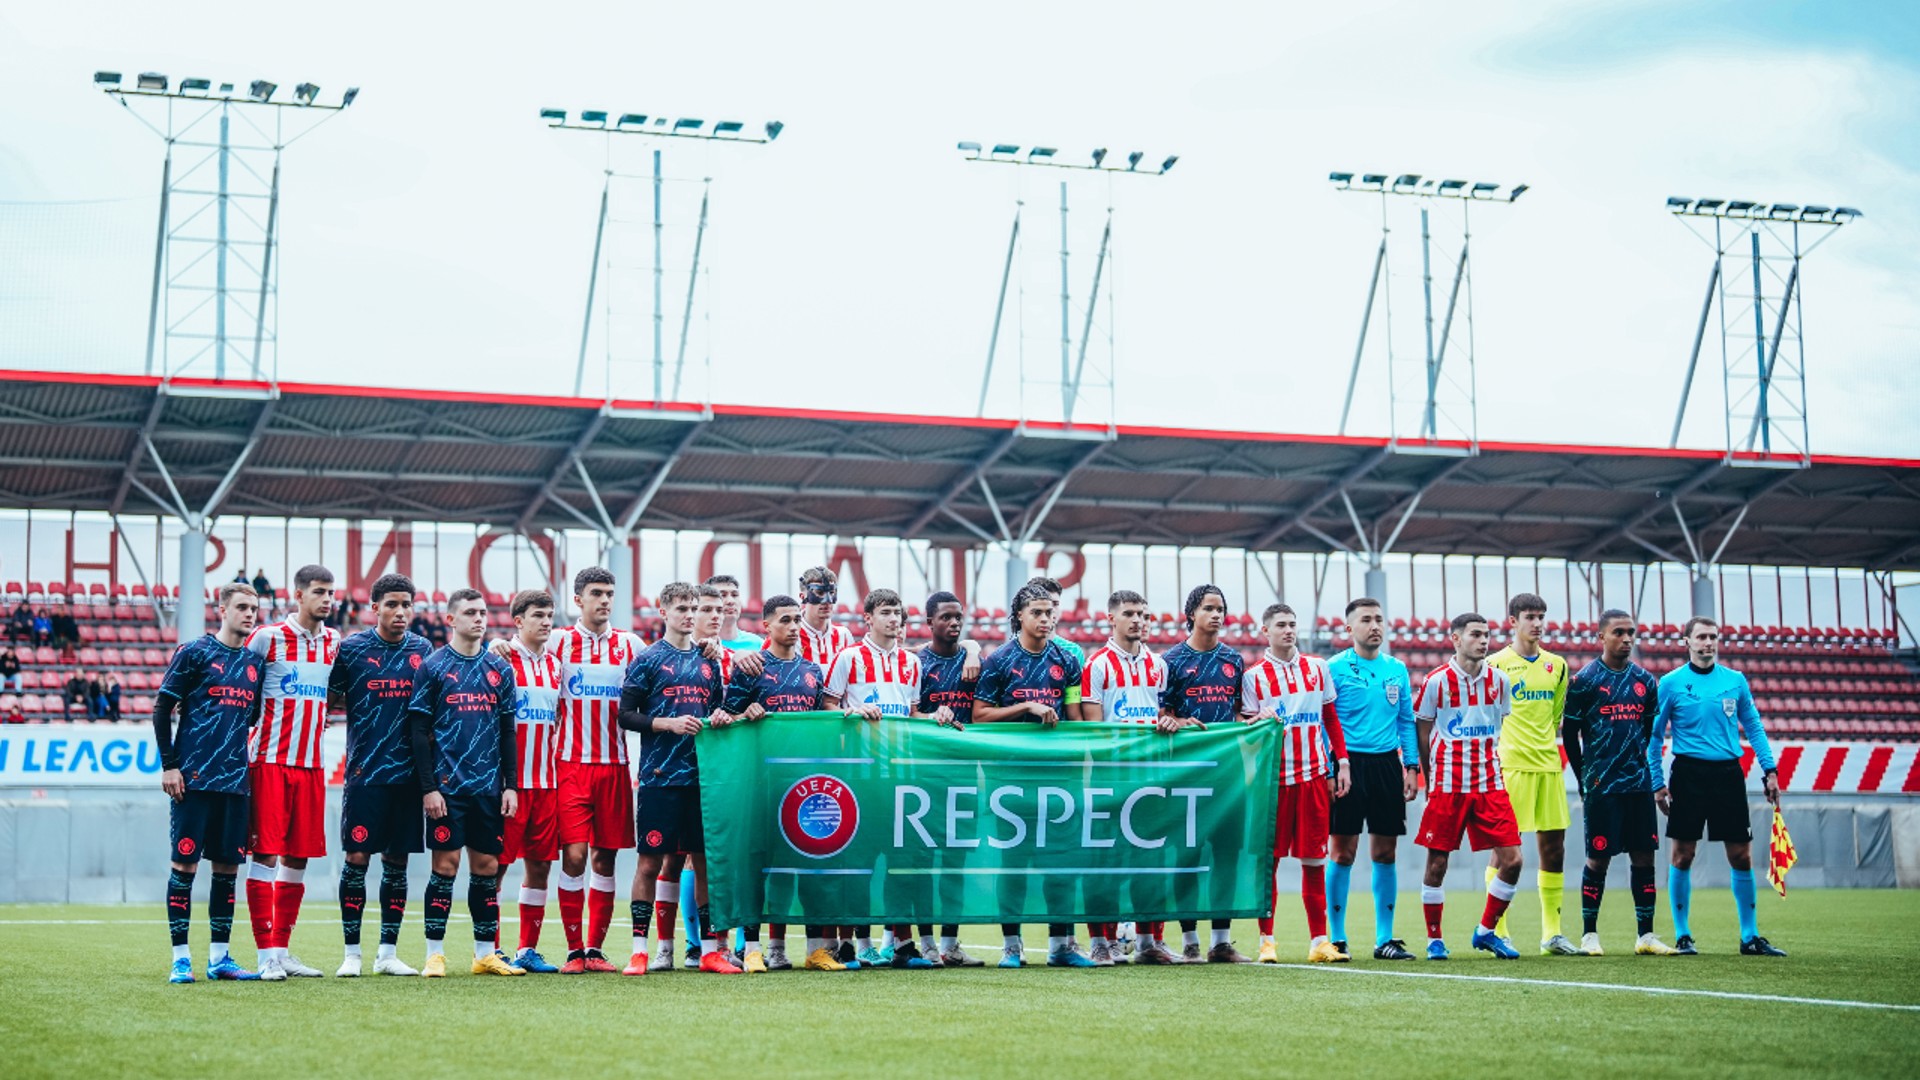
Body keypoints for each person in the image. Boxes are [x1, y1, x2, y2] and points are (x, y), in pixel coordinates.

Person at [499, 567, 644, 974]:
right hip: (569, 767)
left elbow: (667, 662)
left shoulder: (630, 645)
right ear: (578, 599)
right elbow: (518, 648)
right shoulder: (559, 641)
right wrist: (497, 645)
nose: (605, 600)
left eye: (610, 593)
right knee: (574, 856)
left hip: (616, 766)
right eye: (596, 592)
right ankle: (573, 949)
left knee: (606, 860)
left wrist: (718, 650)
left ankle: (594, 951)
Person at [616, 581, 740, 975]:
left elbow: (719, 710)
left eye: (693, 607)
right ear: (663, 611)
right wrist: (666, 723)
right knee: (650, 863)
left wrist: (722, 716)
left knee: (703, 864)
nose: (689, 614)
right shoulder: (648, 660)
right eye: (682, 607)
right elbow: (625, 715)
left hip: (701, 780)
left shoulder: (710, 661)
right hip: (659, 777)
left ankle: (708, 951)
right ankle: (639, 950)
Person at [1651, 616, 1785, 957]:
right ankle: (1683, 935)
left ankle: (1750, 936)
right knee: (1683, 855)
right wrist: (1657, 782)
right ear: (1687, 641)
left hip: (1728, 774)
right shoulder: (1670, 683)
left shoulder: (1735, 681)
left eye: (1713, 636)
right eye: (1701, 637)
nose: (1708, 642)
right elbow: (1654, 737)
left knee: (1741, 855)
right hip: (1688, 775)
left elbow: (1753, 726)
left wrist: (1770, 770)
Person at [153, 582, 266, 983]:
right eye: (241, 607)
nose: (249, 614)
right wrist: (170, 765)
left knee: (227, 870)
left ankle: (220, 958)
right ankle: (180, 958)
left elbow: (249, 719)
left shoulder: (255, 664)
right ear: (221, 609)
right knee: (184, 865)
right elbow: (163, 706)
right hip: (193, 782)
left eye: (254, 608)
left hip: (235, 784)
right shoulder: (195, 652)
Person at [972, 583, 1089, 969]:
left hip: (1059, 777)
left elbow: (1074, 718)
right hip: (1011, 776)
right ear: (1019, 615)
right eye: (1037, 613)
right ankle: (1012, 945)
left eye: (1050, 612)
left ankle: (1062, 945)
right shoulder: (999, 660)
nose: (1046, 619)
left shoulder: (1067, 660)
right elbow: (979, 716)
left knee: (1061, 861)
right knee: (1015, 863)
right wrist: (1027, 706)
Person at [407, 588, 523, 977]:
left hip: (489, 787)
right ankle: (434, 954)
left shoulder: (500, 669)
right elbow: (419, 731)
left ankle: (484, 954)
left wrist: (511, 784)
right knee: (446, 865)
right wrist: (428, 788)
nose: (479, 618)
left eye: (483, 612)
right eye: (470, 612)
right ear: (450, 619)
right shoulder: (434, 666)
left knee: (487, 866)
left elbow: (508, 731)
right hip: (447, 787)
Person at [722, 594, 838, 971]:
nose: (792, 626)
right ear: (766, 627)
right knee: (760, 865)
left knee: (807, 864)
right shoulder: (752, 667)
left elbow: (825, 721)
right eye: (784, 620)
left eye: (795, 620)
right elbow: (722, 717)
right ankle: (754, 948)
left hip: (805, 785)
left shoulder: (812, 671)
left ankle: (815, 949)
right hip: (762, 782)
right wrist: (744, 712)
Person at [823, 588, 934, 970]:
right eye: (886, 612)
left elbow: (913, 714)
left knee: (901, 863)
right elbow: (827, 709)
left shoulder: (911, 663)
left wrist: (936, 718)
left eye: (899, 613)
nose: (895, 620)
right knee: (858, 864)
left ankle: (903, 945)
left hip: (901, 777)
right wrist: (853, 712)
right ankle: (849, 945)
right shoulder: (848, 658)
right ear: (868, 618)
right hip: (859, 777)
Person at [328, 573, 432, 978]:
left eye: (407, 604)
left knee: (397, 862)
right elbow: (331, 698)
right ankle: (352, 953)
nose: (400, 611)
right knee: (356, 859)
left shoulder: (423, 650)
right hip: (364, 772)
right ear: (375, 608)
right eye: (392, 604)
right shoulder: (352, 650)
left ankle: (387, 953)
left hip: (408, 777)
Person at [243, 564, 340, 980]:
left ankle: (282, 950)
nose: (327, 600)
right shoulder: (267, 638)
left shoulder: (335, 643)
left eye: (330, 593)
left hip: (311, 765)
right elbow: (239, 687)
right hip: (269, 761)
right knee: (264, 854)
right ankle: (264, 955)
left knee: (298, 856)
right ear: (297, 595)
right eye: (319, 592)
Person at [1563, 610, 1678, 957]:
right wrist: (1585, 775)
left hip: (1638, 785)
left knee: (1645, 858)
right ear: (1601, 637)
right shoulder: (1584, 681)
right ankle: (1589, 935)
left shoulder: (1646, 680)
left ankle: (1645, 936)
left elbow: (1646, 731)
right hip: (1602, 786)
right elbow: (1570, 735)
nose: (1627, 639)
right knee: (1598, 859)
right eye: (1619, 632)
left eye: (1631, 633)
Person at [1241, 602, 1349, 964]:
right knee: (1268, 864)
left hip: (1314, 778)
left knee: (1315, 861)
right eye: (1281, 625)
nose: (1288, 630)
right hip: (1274, 783)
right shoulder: (1254, 676)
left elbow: (1331, 719)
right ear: (1265, 631)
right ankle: (1266, 941)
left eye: (1292, 624)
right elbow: (1248, 731)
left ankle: (1320, 941)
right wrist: (1258, 718)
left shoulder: (1318, 668)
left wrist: (1342, 763)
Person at [1413, 613, 1523, 961]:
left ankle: (1486, 931)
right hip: (1448, 785)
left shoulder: (1501, 681)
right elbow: (1423, 733)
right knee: (1437, 865)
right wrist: (1430, 780)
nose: (1483, 640)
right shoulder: (1436, 682)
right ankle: (1434, 939)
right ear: (1456, 639)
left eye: (1487, 635)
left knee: (1514, 860)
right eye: (1475, 634)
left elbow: (1497, 725)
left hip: (1490, 783)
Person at [1155, 583, 1254, 964]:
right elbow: (1161, 715)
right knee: (1187, 855)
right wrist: (1177, 720)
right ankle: (1190, 939)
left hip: (1226, 773)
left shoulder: (1234, 660)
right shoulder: (1172, 660)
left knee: (1226, 855)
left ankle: (1222, 941)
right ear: (1192, 613)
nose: (1216, 615)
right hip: (1186, 773)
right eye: (1209, 608)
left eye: (1221, 609)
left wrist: (1255, 719)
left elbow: (1241, 712)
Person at [1078, 588, 1172, 964]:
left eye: (1144, 615)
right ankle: (1102, 941)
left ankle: (1149, 941)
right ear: (1111, 619)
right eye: (1130, 613)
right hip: (1111, 779)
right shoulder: (1097, 664)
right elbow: (1092, 729)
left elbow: (1167, 715)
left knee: (1151, 862)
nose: (1138, 621)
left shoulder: (1160, 665)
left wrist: (1170, 721)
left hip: (1152, 778)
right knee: (1105, 863)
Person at [1325, 597, 1420, 961]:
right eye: (1366, 619)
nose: (1375, 625)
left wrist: (1410, 766)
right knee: (1343, 851)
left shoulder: (1396, 670)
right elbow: (1325, 722)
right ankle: (1337, 938)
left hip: (1386, 767)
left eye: (1379, 619)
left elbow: (1406, 721)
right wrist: (1332, 768)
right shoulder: (1334, 669)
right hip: (1348, 766)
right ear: (1349, 629)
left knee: (1385, 851)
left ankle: (1385, 939)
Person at [1486, 593, 1578, 955]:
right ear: (1513, 621)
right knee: (1505, 852)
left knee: (1553, 850)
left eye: (1541, 616)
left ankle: (1551, 934)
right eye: (1530, 616)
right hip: (1511, 767)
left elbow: (1556, 717)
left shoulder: (1558, 665)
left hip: (1549, 766)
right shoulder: (1495, 665)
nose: (1537, 623)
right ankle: (1498, 931)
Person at [916, 590, 983, 968]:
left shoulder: (976, 662)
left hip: (966, 772)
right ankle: (926, 943)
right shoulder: (916, 664)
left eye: (958, 616)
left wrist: (973, 650)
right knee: (924, 860)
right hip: (925, 773)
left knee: (956, 862)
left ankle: (951, 943)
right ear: (930, 623)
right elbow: (910, 713)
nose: (954, 623)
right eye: (945, 617)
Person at [501, 589, 567, 974]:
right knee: (495, 866)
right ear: (518, 620)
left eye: (550, 616)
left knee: (539, 866)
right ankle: (488, 948)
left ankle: (527, 949)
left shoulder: (556, 666)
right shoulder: (502, 660)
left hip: (547, 784)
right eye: (538, 615)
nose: (546, 622)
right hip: (509, 785)